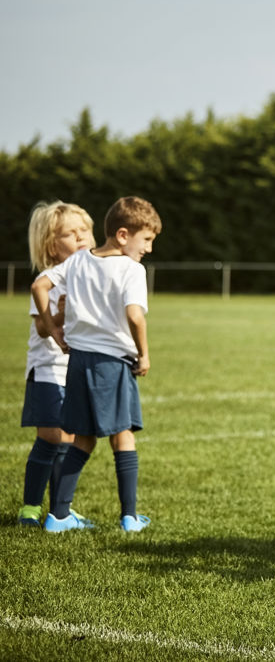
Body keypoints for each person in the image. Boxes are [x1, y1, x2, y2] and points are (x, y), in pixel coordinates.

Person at [31, 195, 162, 533]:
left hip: (77, 363)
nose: (148, 248)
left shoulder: (78, 261)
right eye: (146, 239)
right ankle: (130, 517)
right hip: (112, 364)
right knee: (124, 435)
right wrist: (144, 354)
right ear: (123, 235)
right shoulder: (131, 269)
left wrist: (53, 327)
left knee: (83, 439)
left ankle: (58, 516)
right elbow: (135, 315)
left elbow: (39, 285)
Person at [18, 201, 95, 527]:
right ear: (52, 245)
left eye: (85, 230)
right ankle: (30, 508)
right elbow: (41, 327)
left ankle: (59, 510)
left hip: (75, 370)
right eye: (70, 233)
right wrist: (61, 313)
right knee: (52, 437)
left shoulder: (88, 277)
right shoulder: (49, 280)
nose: (81, 237)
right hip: (49, 368)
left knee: (68, 440)